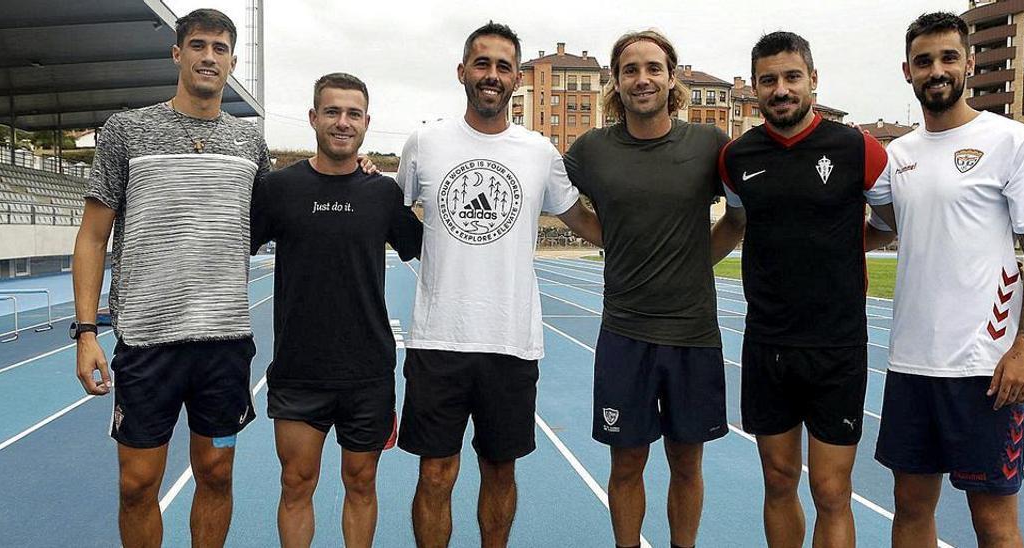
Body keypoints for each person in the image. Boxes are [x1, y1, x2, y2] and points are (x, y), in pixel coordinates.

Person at [395, 21, 602, 548]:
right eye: (482, 63)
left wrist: (657, 234)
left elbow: (584, 221)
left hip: (511, 341)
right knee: (435, 475)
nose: (492, 75)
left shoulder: (539, 152)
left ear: (517, 80)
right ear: (462, 71)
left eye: (503, 66)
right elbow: (390, 218)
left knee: (500, 473)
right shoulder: (425, 142)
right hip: (438, 340)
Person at [71, 8, 267, 548]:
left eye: (221, 48)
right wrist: (86, 332)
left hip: (224, 344)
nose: (209, 56)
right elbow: (91, 237)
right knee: (137, 485)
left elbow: (280, 215)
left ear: (232, 60)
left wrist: (360, 170)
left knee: (217, 473)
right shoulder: (127, 131)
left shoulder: (250, 145)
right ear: (177, 53)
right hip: (148, 343)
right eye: (198, 45)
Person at [866, 13, 1024, 548]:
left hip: (985, 367)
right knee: (909, 509)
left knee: (993, 521)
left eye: (949, 57)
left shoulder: (1012, 142)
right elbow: (884, 228)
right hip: (910, 364)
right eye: (924, 61)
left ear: (970, 63)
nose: (937, 70)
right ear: (907, 71)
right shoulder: (895, 158)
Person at [563, 29, 739, 548]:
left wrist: (692, 260)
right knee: (627, 462)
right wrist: (607, 240)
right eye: (630, 70)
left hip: (693, 334)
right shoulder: (592, 150)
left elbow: (737, 218)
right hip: (624, 333)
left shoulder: (709, 145)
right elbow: (552, 194)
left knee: (687, 463)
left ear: (672, 76)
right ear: (614, 82)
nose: (642, 79)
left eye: (653, 68)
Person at [717, 31, 890, 548]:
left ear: (813, 80)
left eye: (792, 77)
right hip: (767, 343)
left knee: (832, 490)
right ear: (754, 88)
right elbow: (735, 222)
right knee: (777, 481)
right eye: (768, 80)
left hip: (837, 345)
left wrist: (844, 246)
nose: (781, 89)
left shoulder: (858, 148)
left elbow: (891, 220)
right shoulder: (735, 158)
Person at [250, 72, 422, 548]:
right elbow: (230, 248)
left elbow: (429, 249)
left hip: (367, 372)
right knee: (296, 485)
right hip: (298, 371)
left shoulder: (382, 193)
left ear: (366, 123)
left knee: (362, 485)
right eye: (332, 112)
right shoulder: (279, 189)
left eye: (352, 114)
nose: (342, 122)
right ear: (313, 118)